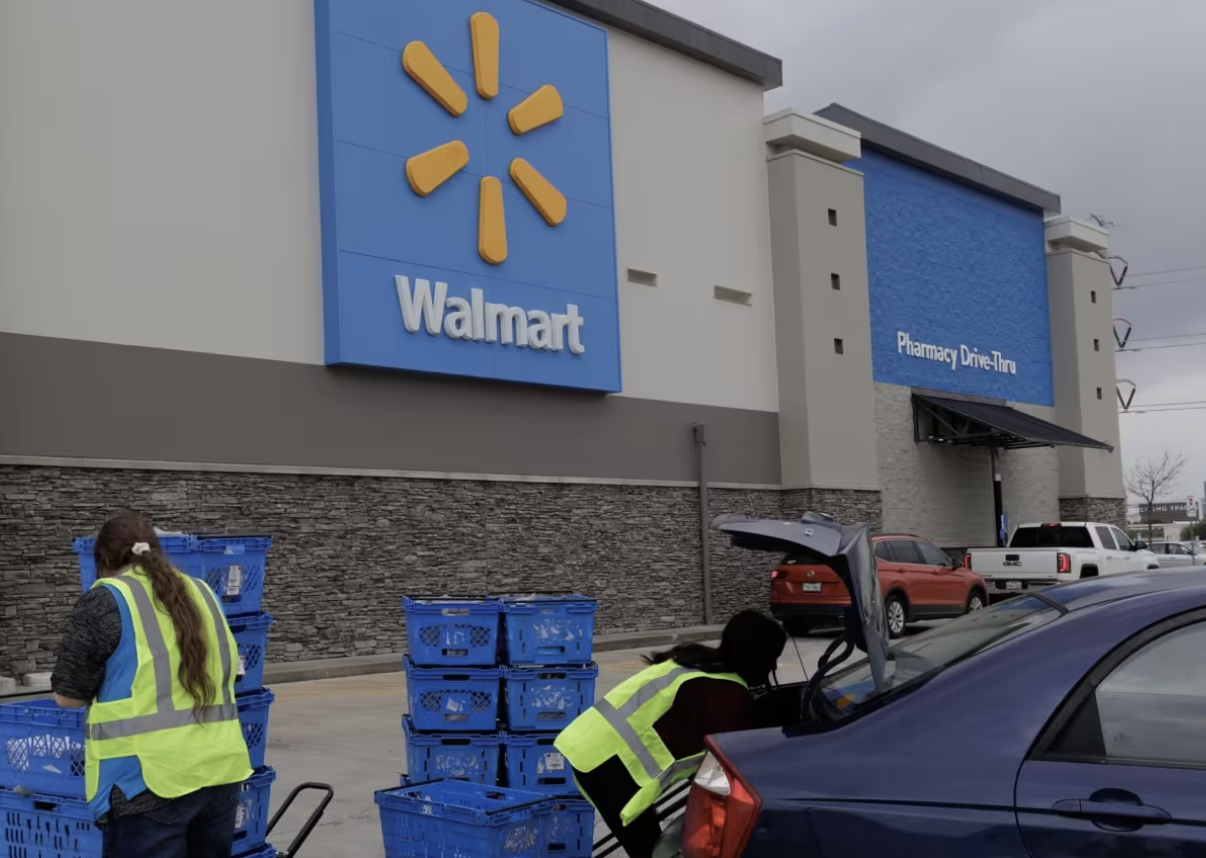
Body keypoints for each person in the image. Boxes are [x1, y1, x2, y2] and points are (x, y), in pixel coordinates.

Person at [51, 514, 252, 858]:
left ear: (102, 556)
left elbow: (68, 697)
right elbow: (231, 672)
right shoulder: (202, 592)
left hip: (147, 783)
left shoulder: (106, 600)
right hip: (220, 772)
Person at [556, 610, 787, 858]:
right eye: (772, 657)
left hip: (589, 742)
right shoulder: (727, 693)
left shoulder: (695, 661)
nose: (773, 666)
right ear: (756, 655)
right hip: (606, 763)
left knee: (650, 843)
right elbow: (729, 767)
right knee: (647, 849)